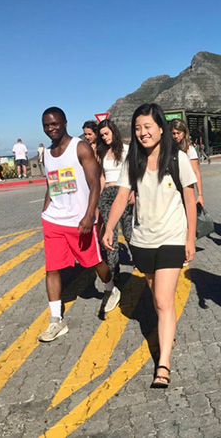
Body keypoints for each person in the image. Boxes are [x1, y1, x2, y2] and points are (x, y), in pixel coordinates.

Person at [102, 103, 197, 388]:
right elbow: (121, 198)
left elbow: (190, 200)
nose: (143, 133)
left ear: (160, 128)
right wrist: (109, 227)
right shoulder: (132, 161)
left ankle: (163, 363)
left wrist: (190, 238)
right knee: (158, 299)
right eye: (138, 128)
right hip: (142, 241)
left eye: (148, 127)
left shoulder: (177, 159)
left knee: (162, 301)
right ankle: (168, 332)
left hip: (172, 237)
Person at [39, 107, 112, 342]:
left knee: (94, 262)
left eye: (55, 124)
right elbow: (51, 184)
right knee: (52, 268)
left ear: (65, 123)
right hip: (54, 220)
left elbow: (95, 184)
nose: (51, 129)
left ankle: (111, 287)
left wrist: (89, 215)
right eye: (46, 125)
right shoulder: (46, 154)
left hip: (79, 221)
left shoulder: (79, 148)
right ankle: (56, 321)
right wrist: (45, 209)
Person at [96, 118, 132, 309]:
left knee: (128, 232)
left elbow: (133, 172)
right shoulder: (101, 152)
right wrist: (99, 198)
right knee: (110, 238)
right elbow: (101, 176)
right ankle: (114, 272)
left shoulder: (125, 149)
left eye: (107, 133)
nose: (104, 137)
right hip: (107, 195)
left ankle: (141, 263)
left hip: (122, 193)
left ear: (113, 132)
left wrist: (133, 191)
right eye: (102, 135)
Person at [170, 118, 204, 206]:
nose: (176, 136)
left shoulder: (189, 149)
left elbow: (196, 172)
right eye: (173, 133)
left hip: (185, 188)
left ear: (184, 133)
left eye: (178, 133)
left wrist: (200, 194)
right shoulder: (168, 149)